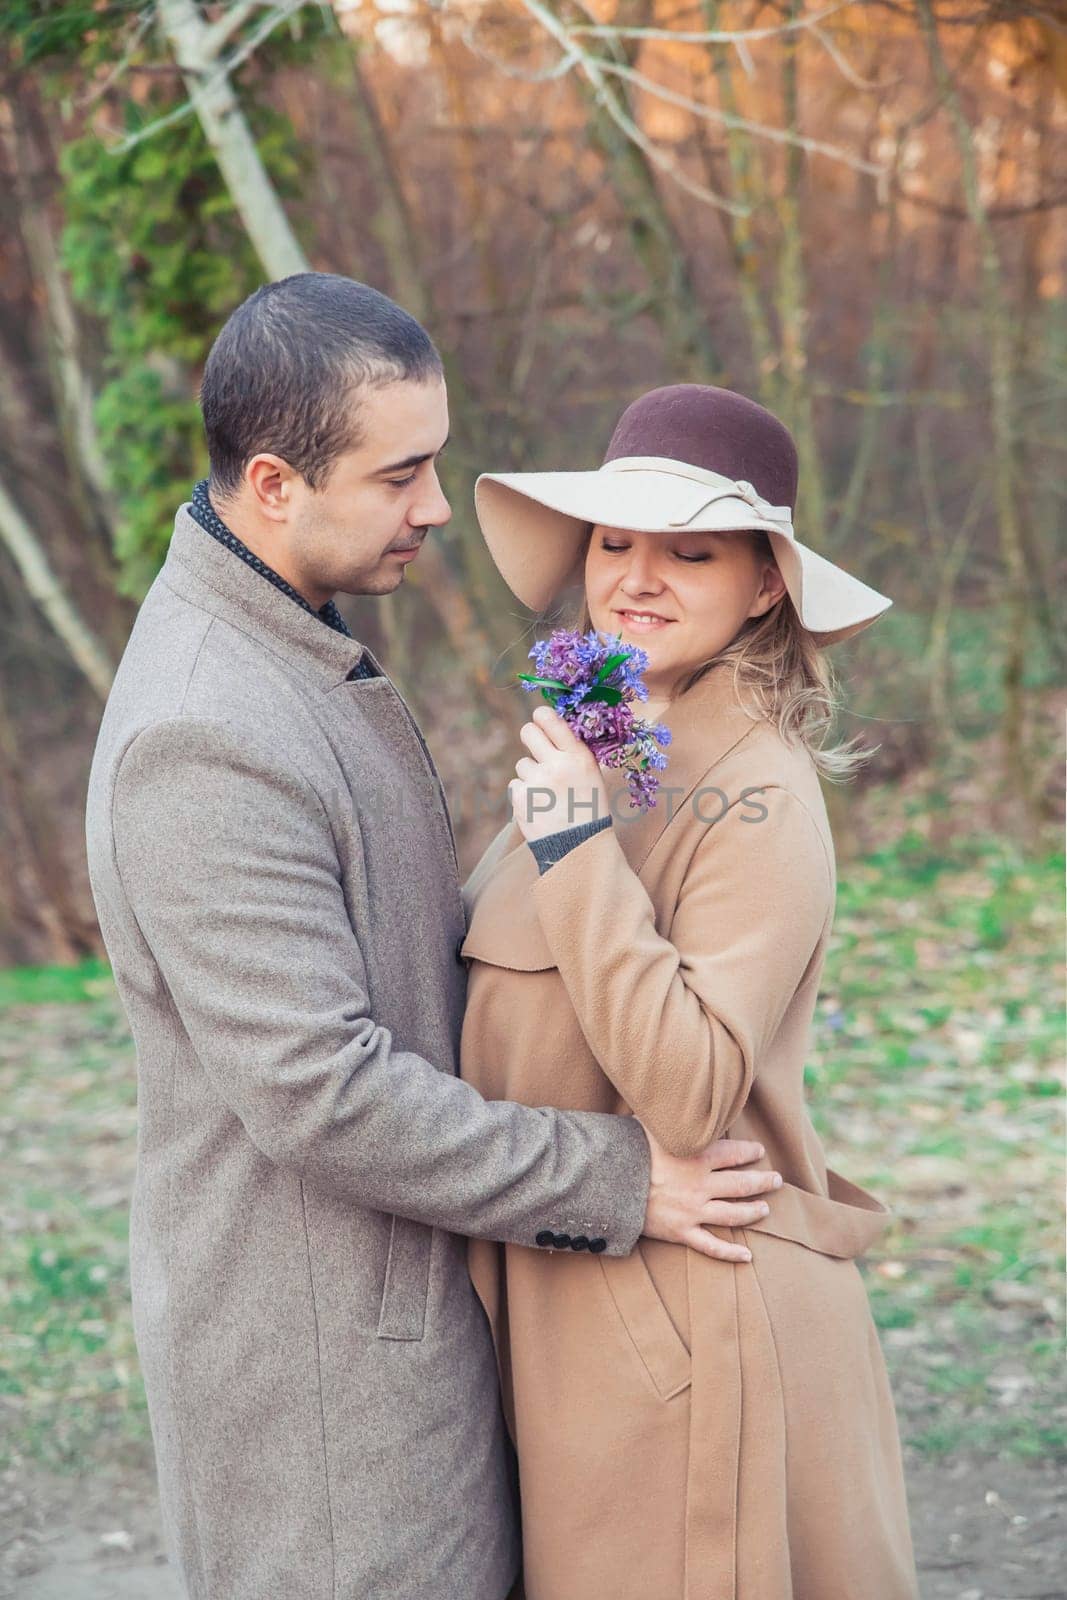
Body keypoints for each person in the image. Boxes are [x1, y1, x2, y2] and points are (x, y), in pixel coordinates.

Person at [83, 280, 782, 1600]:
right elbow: (322, 1095)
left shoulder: (292, 646)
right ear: (276, 484)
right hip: (327, 1397)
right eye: (402, 474)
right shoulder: (205, 735)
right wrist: (619, 1177)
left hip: (411, 1317)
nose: (436, 507)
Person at [460, 384, 921, 1599]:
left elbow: (689, 1084)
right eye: (615, 541)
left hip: (684, 1329)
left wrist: (570, 846)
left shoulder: (758, 792)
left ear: (764, 582)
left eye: (690, 551)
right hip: (578, 1310)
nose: (636, 577)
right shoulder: (598, 742)